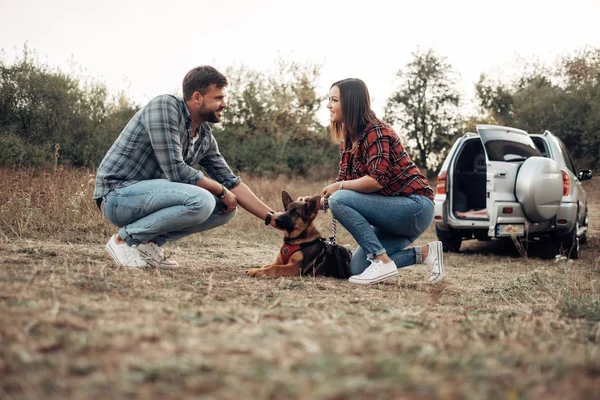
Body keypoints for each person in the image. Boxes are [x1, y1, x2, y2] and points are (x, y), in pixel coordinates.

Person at [93, 65, 279, 268]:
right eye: (218, 98)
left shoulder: (204, 136)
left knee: (225, 208)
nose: (224, 104)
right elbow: (175, 170)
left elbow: (231, 182)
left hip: (152, 198)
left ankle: (147, 244)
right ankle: (124, 241)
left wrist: (272, 217)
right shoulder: (165, 107)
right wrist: (220, 189)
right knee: (203, 199)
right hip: (117, 196)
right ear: (197, 97)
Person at [302, 78, 444, 285]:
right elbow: (342, 186)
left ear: (350, 103)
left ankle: (382, 260)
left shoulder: (377, 131)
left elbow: (376, 181)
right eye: (329, 100)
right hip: (391, 215)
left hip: (415, 208)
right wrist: (314, 203)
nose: (328, 105)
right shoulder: (348, 141)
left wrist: (338, 189)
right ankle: (425, 253)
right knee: (357, 268)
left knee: (340, 197)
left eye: (334, 100)